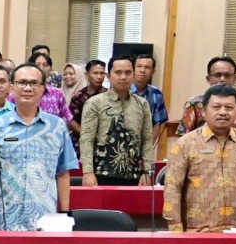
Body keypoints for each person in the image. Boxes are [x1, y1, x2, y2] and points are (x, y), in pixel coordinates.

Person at [162, 85, 236, 233]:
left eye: (229, 108)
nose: (223, 112)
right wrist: (176, 230)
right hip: (198, 231)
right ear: (204, 111)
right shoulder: (184, 144)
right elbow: (173, 188)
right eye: (217, 107)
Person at [0, 64, 78, 232]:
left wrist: (65, 213)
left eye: (34, 83)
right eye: (22, 82)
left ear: (43, 88)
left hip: (46, 219)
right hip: (4, 217)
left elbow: (63, 173)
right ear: (12, 87)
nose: (28, 88)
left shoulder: (57, 126)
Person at [78, 55, 155, 187]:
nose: (123, 77)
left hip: (135, 176)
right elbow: (86, 139)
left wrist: (147, 171)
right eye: (118, 72)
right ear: (108, 76)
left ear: (133, 74)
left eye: (128, 72)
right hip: (101, 175)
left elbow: (147, 139)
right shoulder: (94, 103)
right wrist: (88, 172)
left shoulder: (142, 104)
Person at [176, 57, 236, 136]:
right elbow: (182, 139)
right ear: (208, 79)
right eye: (217, 75)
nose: (222, 79)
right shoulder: (194, 104)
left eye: (227, 75)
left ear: (234, 79)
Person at [67, 59, 107, 153]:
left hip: (105, 143)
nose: (99, 76)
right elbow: (71, 120)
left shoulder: (110, 95)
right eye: (95, 73)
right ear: (87, 75)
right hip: (81, 143)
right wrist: (86, 136)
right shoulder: (79, 96)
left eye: (102, 73)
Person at [132, 53, 169, 127]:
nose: (142, 70)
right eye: (139, 66)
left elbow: (158, 123)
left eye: (147, 67)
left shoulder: (157, 94)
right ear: (133, 69)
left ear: (153, 72)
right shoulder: (122, 91)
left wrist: (150, 139)